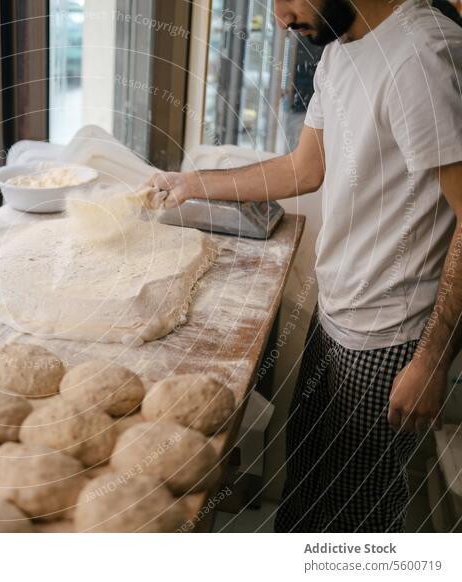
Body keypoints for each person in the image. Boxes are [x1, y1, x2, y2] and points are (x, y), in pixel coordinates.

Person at [145, 0, 462, 532]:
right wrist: (190, 183)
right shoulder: (342, 49)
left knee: (352, 518)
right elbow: (304, 168)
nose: (279, 17)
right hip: (337, 311)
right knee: (308, 488)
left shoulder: (422, 57)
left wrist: (432, 359)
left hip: (390, 335)